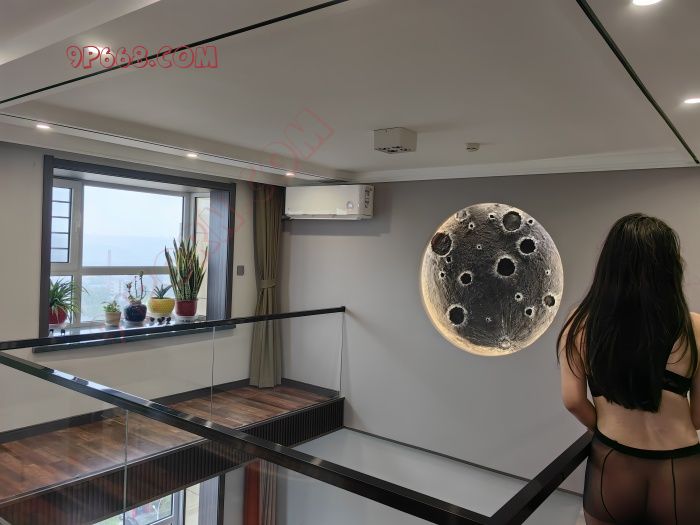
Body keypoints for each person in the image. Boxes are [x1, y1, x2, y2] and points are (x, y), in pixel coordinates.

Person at [558, 213, 700, 525]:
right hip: (679, 466)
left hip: (613, 459)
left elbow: (573, 401)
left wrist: (605, 425)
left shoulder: (579, 323)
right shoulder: (696, 327)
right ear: (670, 267)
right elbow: (699, 417)